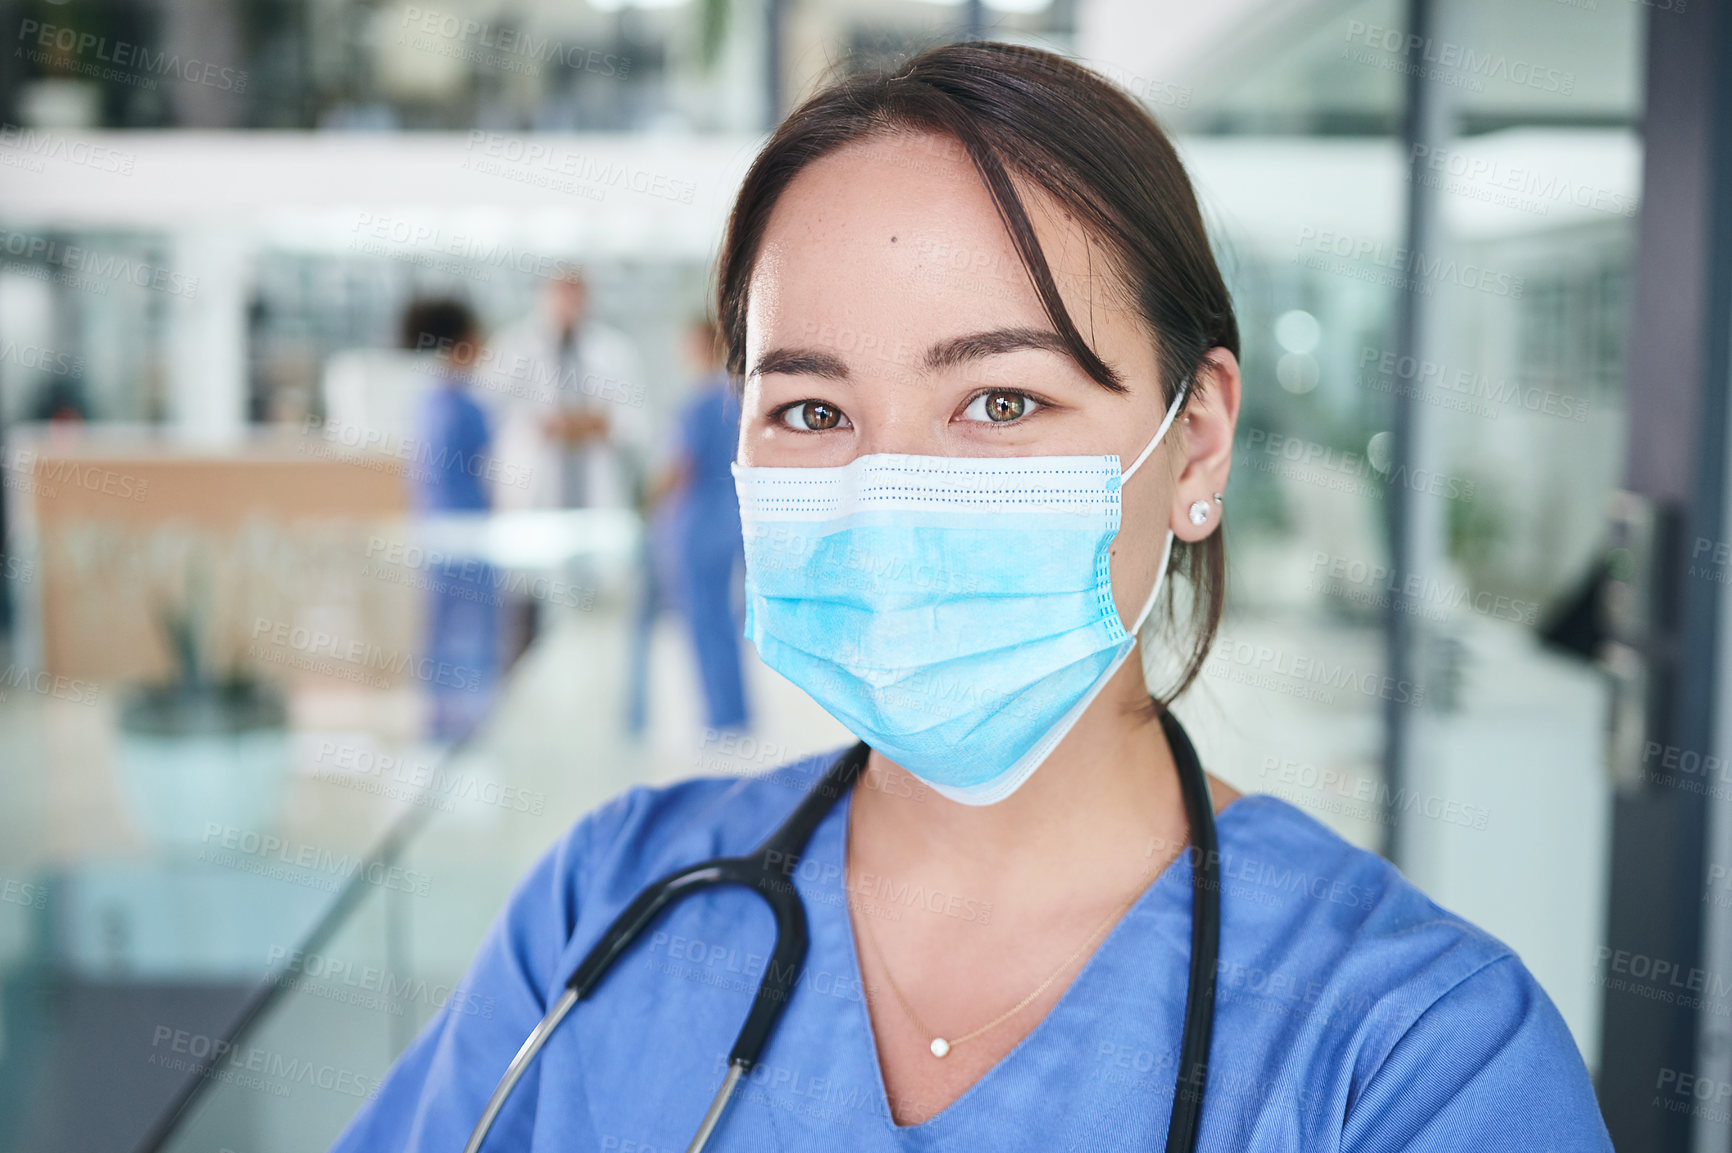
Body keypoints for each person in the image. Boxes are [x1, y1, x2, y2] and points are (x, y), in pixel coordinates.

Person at [329, 44, 1613, 1151]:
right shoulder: (614, 905)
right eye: (812, 409)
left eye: (1002, 401)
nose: (890, 494)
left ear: (1199, 439)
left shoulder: (1415, 1056)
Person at [481, 271, 648, 662]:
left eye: (577, 296)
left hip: (594, 501)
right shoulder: (513, 347)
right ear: (544, 297)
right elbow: (492, 416)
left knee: (596, 614)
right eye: (561, 295)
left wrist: (591, 424)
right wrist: (545, 426)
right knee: (527, 606)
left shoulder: (613, 351)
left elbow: (636, 422)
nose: (569, 305)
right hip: (533, 498)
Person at [631, 318, 750, 735]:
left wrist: (645, 502)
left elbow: (679, 468)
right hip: (728, 525)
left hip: (697, 529)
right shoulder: (738, 400)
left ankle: (718, 720)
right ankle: (734, 715)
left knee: (702, 624)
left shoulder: (697, 404)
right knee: (724, 622)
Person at [401, 298, 499, 743]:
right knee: (473, 636)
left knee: (442, 634)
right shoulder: (467, 408)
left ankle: (440, 727)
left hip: (436, 533)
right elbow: (486, 473)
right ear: (464, 344)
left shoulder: (428, 404)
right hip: (468, 536)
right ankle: (467, 729)